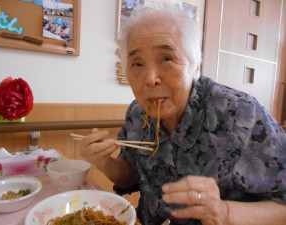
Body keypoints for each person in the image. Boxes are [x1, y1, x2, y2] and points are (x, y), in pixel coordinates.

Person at [79, 3, 286, 225]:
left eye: (166, 58)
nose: (150, 78)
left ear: (195, 65)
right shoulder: (138, 114)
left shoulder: (241, 114)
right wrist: (105, 163)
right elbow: (131, 174)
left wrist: (225, 212)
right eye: (137, 64)